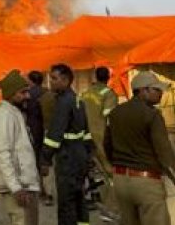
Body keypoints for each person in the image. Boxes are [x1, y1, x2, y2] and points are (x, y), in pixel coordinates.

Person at [105, 71, 175, 225]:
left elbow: (107, 145)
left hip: (121, 183)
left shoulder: (115, 113)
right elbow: (164, 152)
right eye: (156, 90)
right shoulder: (152, 115)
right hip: (146, 184)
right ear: (143, 91)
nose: (161, 93)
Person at [39, 63, 91, 225]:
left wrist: (45, 160)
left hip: (67, 159)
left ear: (66, 80)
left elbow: (54, 135)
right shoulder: (77, 100)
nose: (51, 82)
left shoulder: (63, 102)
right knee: (79, 198)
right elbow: (87, 132)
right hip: (80, 157)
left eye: (54, 79)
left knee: (66, 203)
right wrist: (88, 155)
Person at [0, 70, 39, 225]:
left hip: (24, 186)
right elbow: (3, 154)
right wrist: (16, 187)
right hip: (19, 189)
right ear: (11, 93)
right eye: (22, 92)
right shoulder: (4, 116)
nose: (27, 96)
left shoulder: (13, 113)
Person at [79, 66, 120, 221]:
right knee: (111, 173)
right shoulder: (109, 94)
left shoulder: (85, 93)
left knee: (96, 172)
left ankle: (97, 199)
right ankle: (110, 209)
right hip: (101, 137)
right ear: (108, 77)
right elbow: (110, 117)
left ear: (96, 76)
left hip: (84, 137)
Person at [25, 70, 54, 207]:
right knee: (47, 160)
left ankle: (40, 191)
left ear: (31, 81)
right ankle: (49, 193)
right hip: (48, 131)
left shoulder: (28, 94)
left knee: (35, 160)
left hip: (34, 131)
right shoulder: (49, 93)